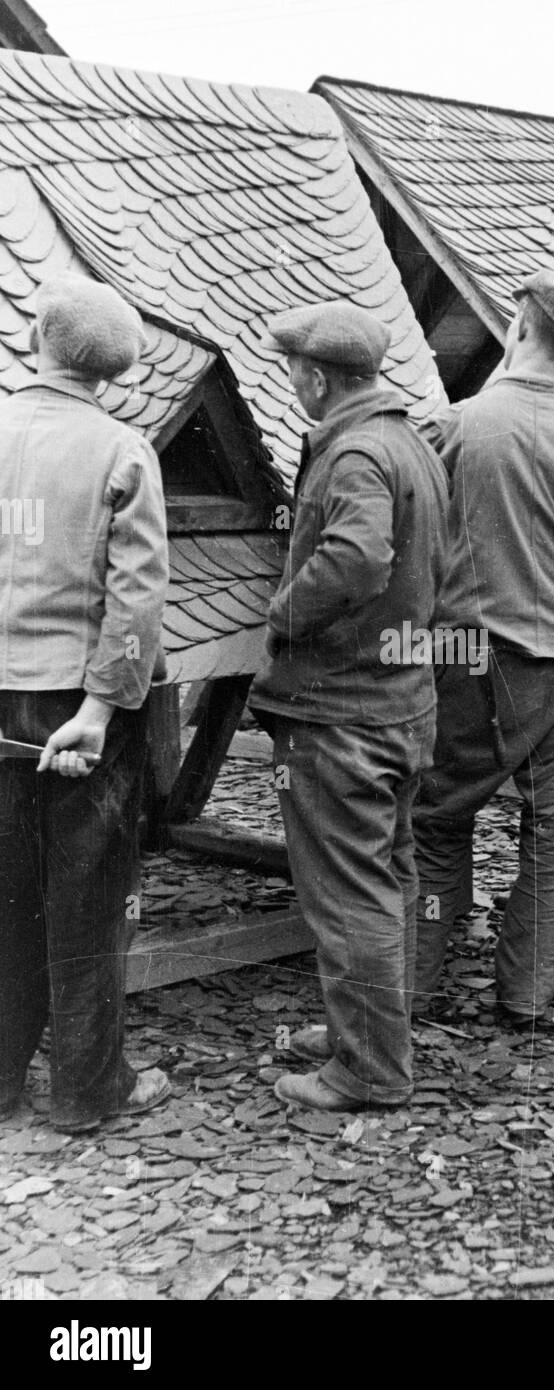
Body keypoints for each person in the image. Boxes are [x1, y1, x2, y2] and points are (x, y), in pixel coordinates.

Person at [412, 270, 554, 1028]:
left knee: (438, 817)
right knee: (551, 831)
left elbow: (405, 541)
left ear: (516, 331)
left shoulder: (455, 426)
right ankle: (525, 998)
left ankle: (413, 985)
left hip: (475, 657)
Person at [250, 301, 448, 1112]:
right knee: (385, 878)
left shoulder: (357, 452)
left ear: (318, 376)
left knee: (348, 894)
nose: (291, 380)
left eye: (293, 369)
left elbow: (358, 558)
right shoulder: (409, 442)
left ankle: (368, 1070)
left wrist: (283, 615)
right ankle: (364, 1031)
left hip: (342, 714)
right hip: (398, 705)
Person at [0, 273, 170, 1133]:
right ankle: (86, 1090)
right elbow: (136, 603)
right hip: (79, 706)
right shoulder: (120, 451)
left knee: (3, 892)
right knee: (87, 896)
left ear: (36, 337)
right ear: (108, 372)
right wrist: (103, 711)